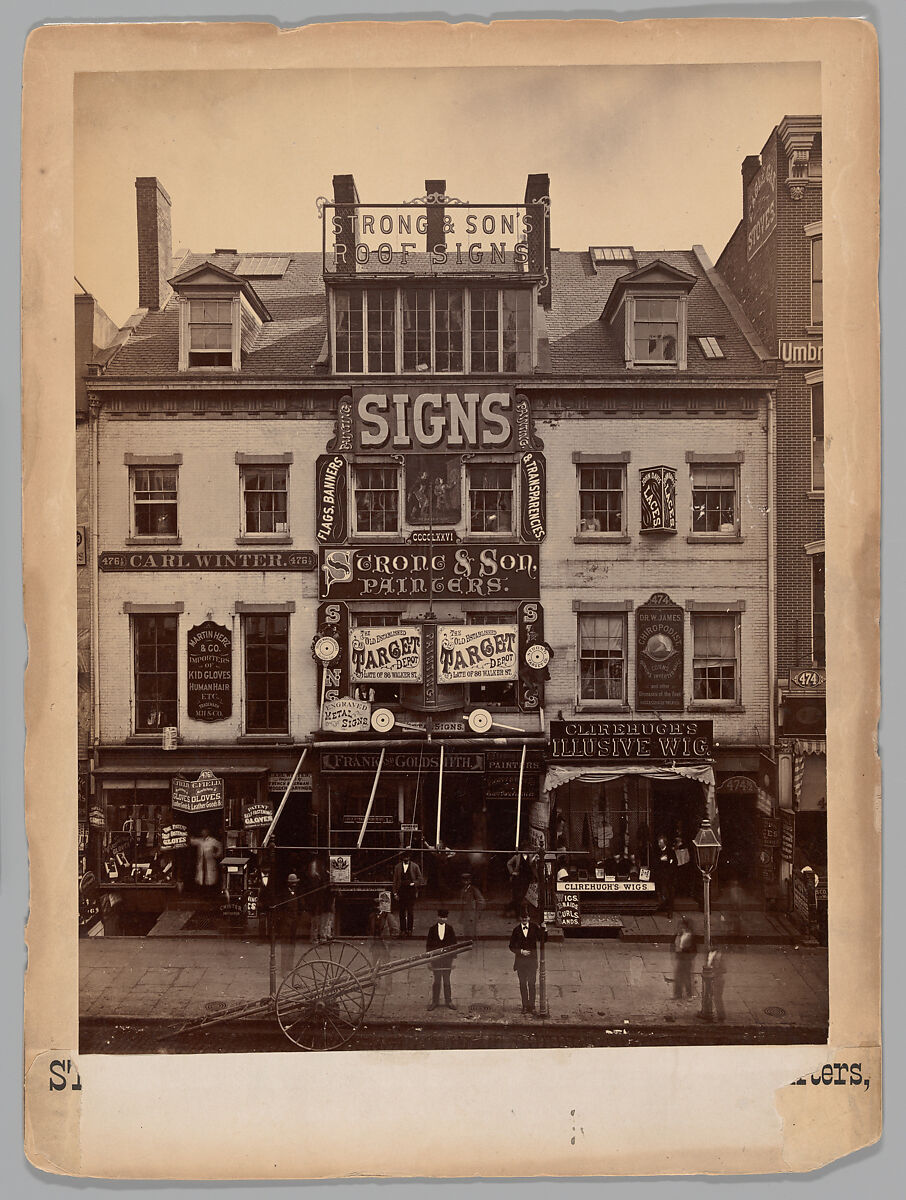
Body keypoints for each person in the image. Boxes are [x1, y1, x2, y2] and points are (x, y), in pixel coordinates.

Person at [508, 908, 547, 1015]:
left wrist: (544, 929)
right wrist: (521, 951)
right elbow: (511, 946)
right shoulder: (516, 930)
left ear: (529, 918)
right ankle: (525, 1006)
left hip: (531, 962)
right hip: (520, 962)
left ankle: (532, 1006)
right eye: (523, 917)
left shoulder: (534, 927)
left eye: (526, 917)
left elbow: (543, 939)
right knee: (522, 984)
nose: (524, 919)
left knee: (532, 984)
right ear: (520, 918)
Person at [425, 908, 458, 1010]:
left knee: (447, 981)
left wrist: (454, 959)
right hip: (436, 959)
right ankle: (435, 1002)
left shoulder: (450, 929)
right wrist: (429, 961)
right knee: (437, 981)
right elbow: (428, 946)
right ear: (437, 917)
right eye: (441, 917)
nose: (443, 919)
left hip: (447, 959)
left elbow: (454, 945)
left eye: (444, 918)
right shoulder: (432, 929)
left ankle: (449, 1001)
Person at [274, 872, 305, 977]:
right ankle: (283, 970)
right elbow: (279, 909)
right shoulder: (283, 895)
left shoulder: (297, 894)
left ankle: (290, 967)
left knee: (292, 945)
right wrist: (283, 920)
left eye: (295, 883)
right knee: (285, 946)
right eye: (292, 883)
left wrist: (298, 917)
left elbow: (301, 907)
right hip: (285, 924)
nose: (294, 885)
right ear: (288, 883)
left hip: (294, 924)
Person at [392, 851, 425, 938]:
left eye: (407, 857)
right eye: (404, 857)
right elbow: (395, 880)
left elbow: (420, 879)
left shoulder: (415, 866)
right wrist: (395, 893)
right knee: (402, 912)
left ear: (410, 858)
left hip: (411, 892)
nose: (406, 859)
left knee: (410, 911)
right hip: (401, 891)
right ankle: (403, 930)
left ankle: (409, 930)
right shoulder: (397, 867)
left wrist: (414, 883)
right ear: (402, 858)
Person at [505, 847, 536, 918]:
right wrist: (512, 872)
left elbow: (531, 865)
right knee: (518, 896)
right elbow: (508, 863)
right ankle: (518, 914)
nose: (528, 850)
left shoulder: (530, 856)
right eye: (527, 849)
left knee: (524, 896)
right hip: (518, 879)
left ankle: (522, 913)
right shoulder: (517, 856)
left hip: (527, 879)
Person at [190, 827, 222, 891]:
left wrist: (216, 855)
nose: (203, 833)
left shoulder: (212, 840)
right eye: (202, 832)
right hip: (201, 861)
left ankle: (209, 890)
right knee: (201, 877)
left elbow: (220, 846)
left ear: (208, 832)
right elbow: (192, 841)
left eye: (205, 832)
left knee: (210, 878)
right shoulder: (200, 840)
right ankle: (202, 890)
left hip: (210, 861)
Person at [673, 916, 697, 1001]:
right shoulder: (678, 935)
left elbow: (693, 949)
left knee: (687, 977)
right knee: (678, 976)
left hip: (687, 959)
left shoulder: (689, 936)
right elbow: (674, 944)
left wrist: (683, 950)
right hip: (680, 958)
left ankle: (689, 994)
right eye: (679, 926)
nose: (679, 928)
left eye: (681, 927)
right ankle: (678, 994)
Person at [653, 834, 677, 917]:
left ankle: (670, 911)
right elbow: (655, 863)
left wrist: (668, 862)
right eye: (658, 842)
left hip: (669, 877)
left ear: (664, 843)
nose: (659, 844)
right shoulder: (657, 852)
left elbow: (674, 863)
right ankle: (663, 906)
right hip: (661, 877)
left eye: (660, 842)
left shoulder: (670, 852)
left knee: (670, 893)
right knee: (663, 893)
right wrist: (661, 860)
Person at [458, 871, 485, 941]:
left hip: (472, 913)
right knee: (466, 929)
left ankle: (472, 944)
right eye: (464, 880)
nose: (465, 882)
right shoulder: (463, 890)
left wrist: (477, 911)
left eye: (467, 880)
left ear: (470, 881)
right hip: (465, 912)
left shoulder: (473, 890)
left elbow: (481, 901)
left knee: (472, 930)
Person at [706, 946, 725, 1022]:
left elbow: (724, 969)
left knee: (717, 998)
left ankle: (721, 1016)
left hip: (718, 979)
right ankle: (718, 1015)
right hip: (713, 978)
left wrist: (714, 971)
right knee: (713, 997)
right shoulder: (712, 955)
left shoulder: (718, 956)